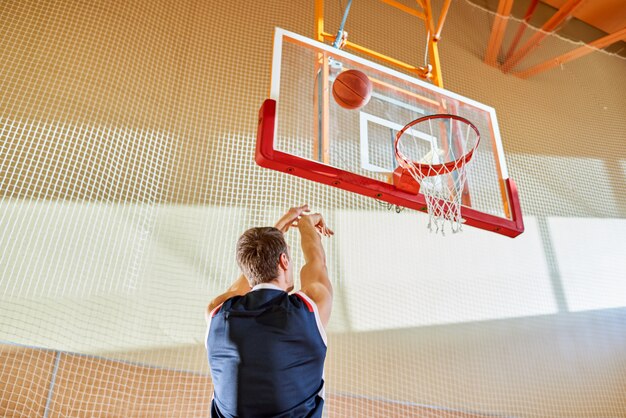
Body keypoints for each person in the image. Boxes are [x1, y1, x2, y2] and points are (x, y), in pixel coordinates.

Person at [205, 204, 333, 418]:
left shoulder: (217, 312)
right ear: (284, 261)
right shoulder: (309, 310)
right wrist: (306, 223)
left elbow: (240, 286)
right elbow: (316, 262)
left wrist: (277, 231)